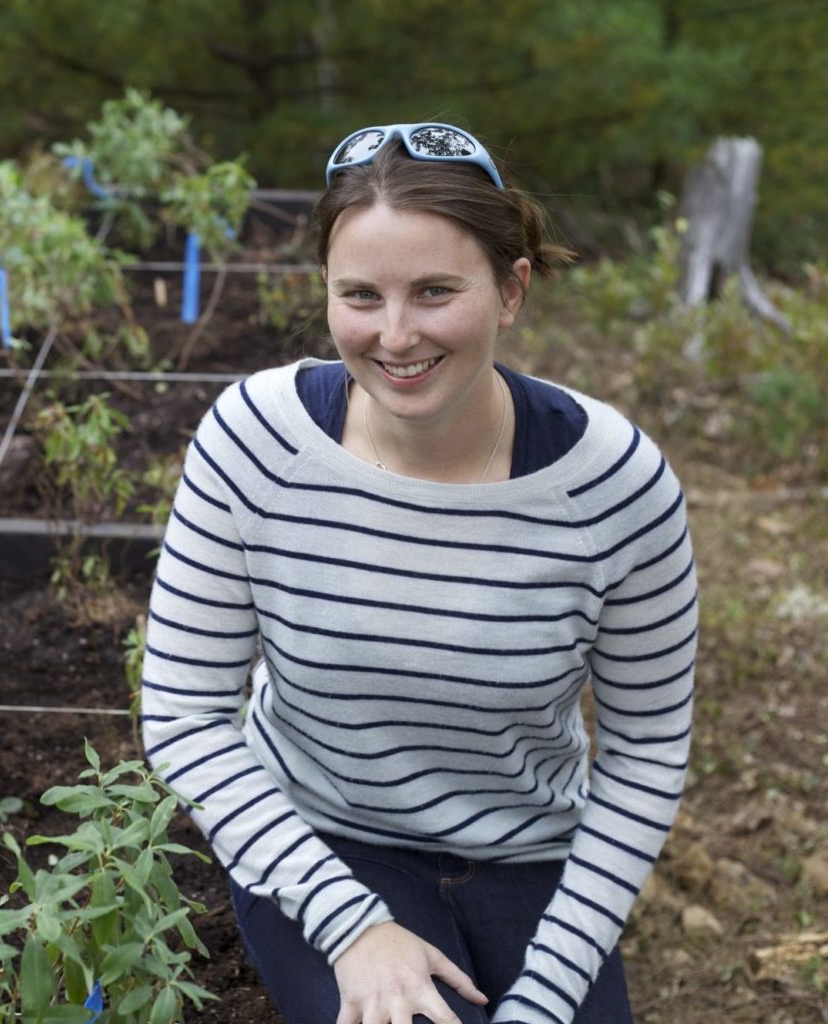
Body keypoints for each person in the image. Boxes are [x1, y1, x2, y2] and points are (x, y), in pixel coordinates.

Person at [141, 122, 697, 1024]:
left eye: (436, 291)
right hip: (320, 846)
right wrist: (351, 926)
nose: (395, 336)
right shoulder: (254, 442)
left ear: (511, 290)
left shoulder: (615, 487)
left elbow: (645, 754)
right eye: (361, 295)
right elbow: (184, 715)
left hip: (534, 858)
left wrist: (551, 991)